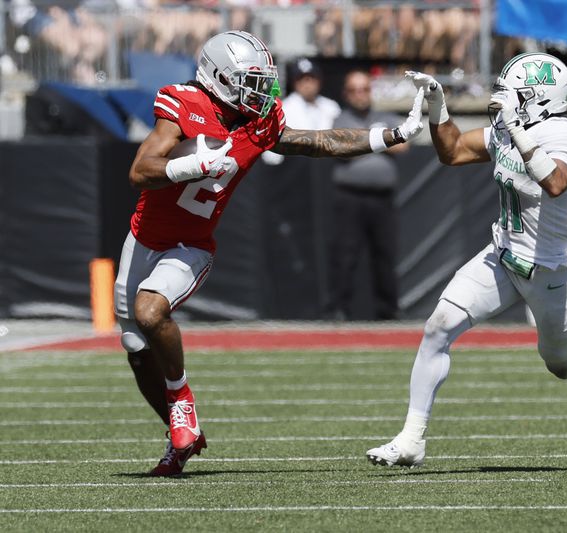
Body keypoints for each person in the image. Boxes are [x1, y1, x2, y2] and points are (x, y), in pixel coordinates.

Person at [114, 30, 424, 477]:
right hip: (143, 237)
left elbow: (322, 142)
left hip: (192, 243)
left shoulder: (258, 122)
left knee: (149, 311)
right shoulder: (182, 103)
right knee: (136, 347)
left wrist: (392, 134)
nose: (263, 93)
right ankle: (181, 434)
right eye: (250, 81)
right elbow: (140, 171)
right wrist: (193, 166)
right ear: (218, 78)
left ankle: (182, 401)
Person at [366, 54, 567, 467]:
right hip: (502, 254)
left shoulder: (565, 133)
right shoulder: (506, 126)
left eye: (515, 92)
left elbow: (555, 182)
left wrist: (516, 129)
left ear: (540, 97)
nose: (503, 98)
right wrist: (438, 106)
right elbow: (454, 151)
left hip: (550, 267)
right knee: (437, 328)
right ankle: (411, 439)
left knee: (563, 365)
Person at [326, 70, 411, 320]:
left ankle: (388, 310)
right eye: (354, 90)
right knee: (345, 254)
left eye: (364, 89)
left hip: (382, 198)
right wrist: (381, 140)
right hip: (349, 197)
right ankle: (339, 309)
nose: (360, 95)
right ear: (346, 94)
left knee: (385, 254)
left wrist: (364, 141)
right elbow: (341, 148)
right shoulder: (340, 118)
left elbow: (403, 144)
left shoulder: (384, 116)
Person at [261, 57, 341, 165]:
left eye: (311, 78)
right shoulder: (284, 108)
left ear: (319, 81)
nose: (307, 83)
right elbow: (271, 157)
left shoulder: (332, 107)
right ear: (294, 83)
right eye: (302, 79)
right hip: (296, 169)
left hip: (327, 167)